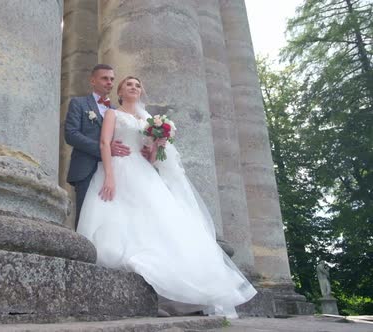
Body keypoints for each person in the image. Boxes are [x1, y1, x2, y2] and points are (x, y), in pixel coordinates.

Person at [77, 76, 257, 317]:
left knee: (159, 223)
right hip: (118, 168)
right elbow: (104, 143)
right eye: (128, 84)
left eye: (138, 85)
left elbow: (150, 159)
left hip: (143, 172)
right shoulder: (112, 114)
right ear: (120, 91)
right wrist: (109, 175)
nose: (134, 87)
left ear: (141, 92)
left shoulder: (147, 120)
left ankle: (171, 296)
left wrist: (158, 144)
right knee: (118, 218)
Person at [64, 64, 132, 229]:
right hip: (86, 167)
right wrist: (103, 148)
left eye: (112, 79)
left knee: (109, 217)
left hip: (112, 169)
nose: (109, 82)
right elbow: (71, 134)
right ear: (92, 81)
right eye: (104, 78)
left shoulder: (117, 111)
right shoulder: (78, 103)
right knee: (85, 217)